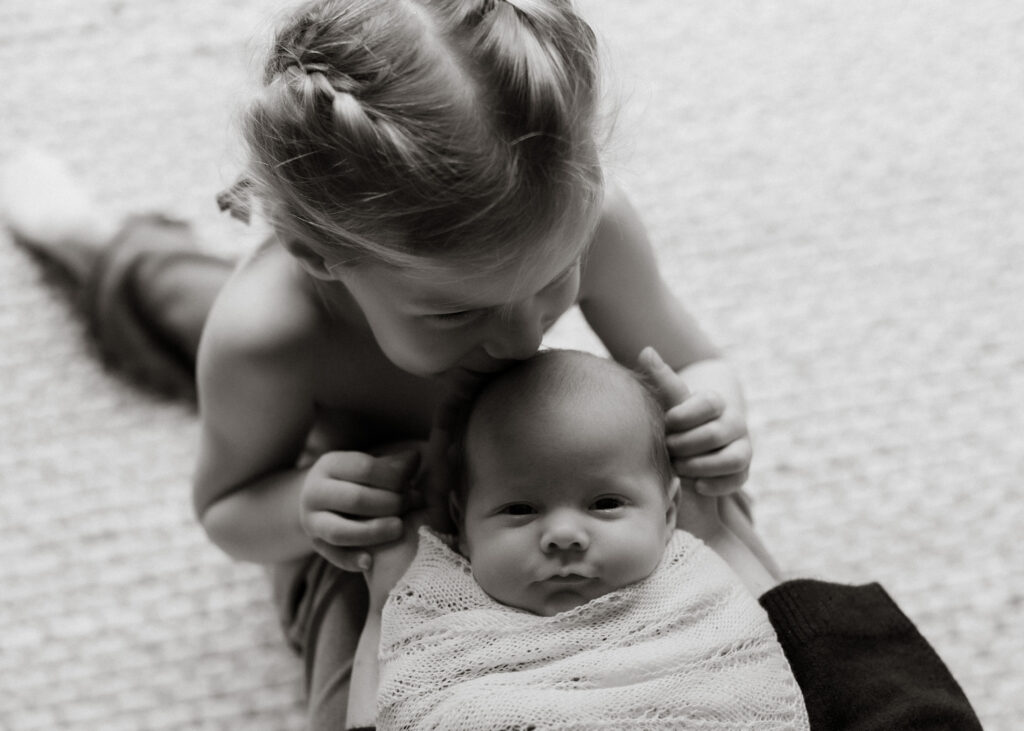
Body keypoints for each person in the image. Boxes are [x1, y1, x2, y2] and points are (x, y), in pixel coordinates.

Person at [0, 0, 983, 727]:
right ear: (323, 256)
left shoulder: (587, 217)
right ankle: (100, 244)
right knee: (189, 301)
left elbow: (700, 363)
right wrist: (308, 504)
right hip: (389, 520)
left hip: (561, 480)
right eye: (458, 308)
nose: (522, 338)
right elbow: (227, 511)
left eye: (552, 282)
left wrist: (715, 411)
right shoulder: (271, 330)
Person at [347, 348, 810, 730]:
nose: (564, 536)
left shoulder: (696, 582)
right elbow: (390, 704)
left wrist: (713, 532)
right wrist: (380, 608)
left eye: (605, 504)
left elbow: (793, 654)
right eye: (520, 509)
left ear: (669, 514)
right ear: (462, 527)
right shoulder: (436, 605)